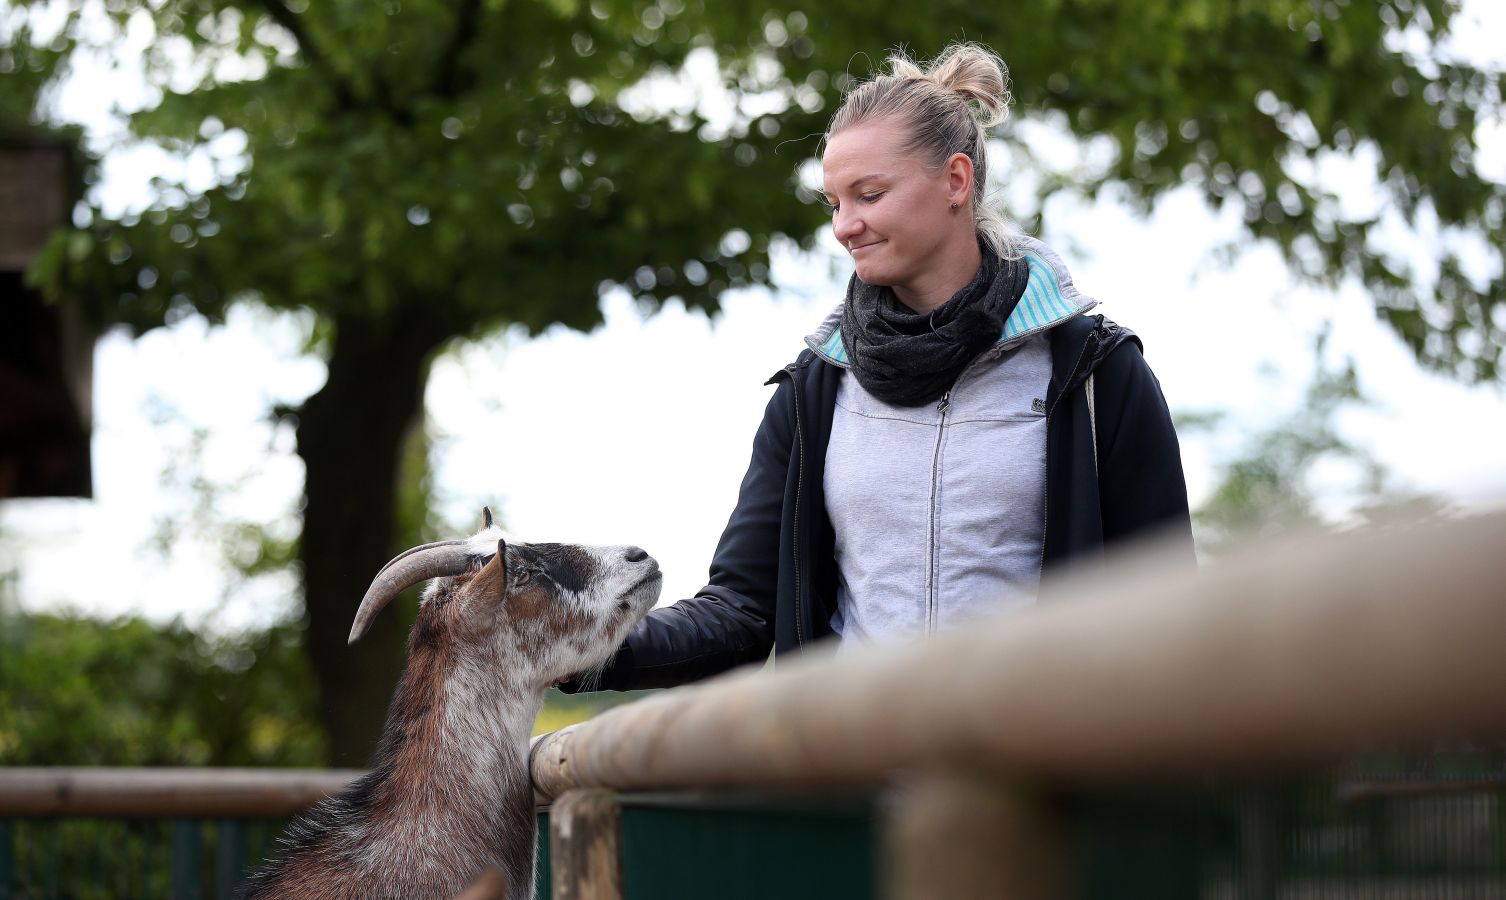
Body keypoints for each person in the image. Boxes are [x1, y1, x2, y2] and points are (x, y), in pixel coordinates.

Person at [567, 42, 1194, 692]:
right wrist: (581, 642)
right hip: (855, 782)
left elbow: (1167, 610)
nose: (844, 226)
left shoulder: (1096, 374)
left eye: (868, 194)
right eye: (834, 203)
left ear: (956, 181)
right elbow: (744, 612)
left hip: (1038, 778)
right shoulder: (812, 390)